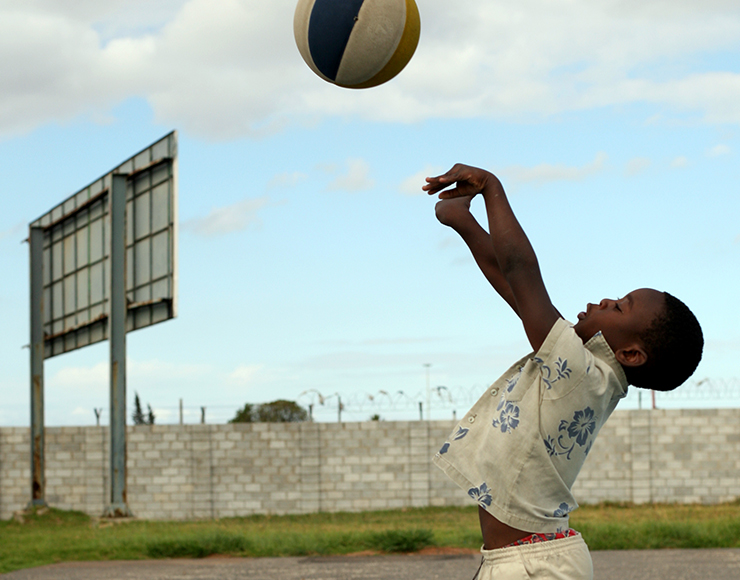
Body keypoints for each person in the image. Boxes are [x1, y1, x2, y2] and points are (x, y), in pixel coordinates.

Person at [423, 164, 703, 580]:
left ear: (630, 354)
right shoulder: (582, 370)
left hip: (533, 565)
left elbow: (521, 272)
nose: (607, 300)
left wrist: (491, 190)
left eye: (621, 306)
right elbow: (513, 284)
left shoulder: (578, 374)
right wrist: (464, 223)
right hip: (527, 558)